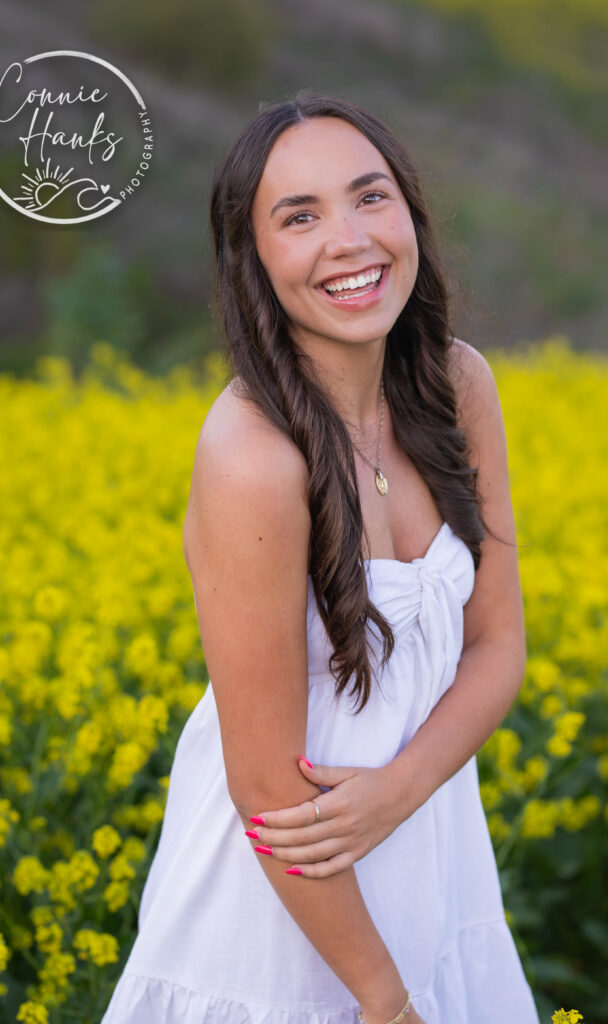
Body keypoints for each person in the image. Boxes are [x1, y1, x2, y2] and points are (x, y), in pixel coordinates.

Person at [99, 90, 539, 1024]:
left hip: (432, 868)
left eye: (368, 198)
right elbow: (265, 790)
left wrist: (398, 792)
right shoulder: (251, 456)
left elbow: (497, 643)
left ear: (409, 215)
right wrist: (382, 1002)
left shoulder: (459, 387)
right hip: (281, 925)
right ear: (252, 258)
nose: (349, 240)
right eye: (299, 217)